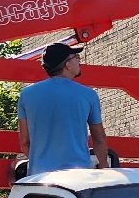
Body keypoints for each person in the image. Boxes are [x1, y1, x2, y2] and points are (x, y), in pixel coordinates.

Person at [17, 42, 110, 176]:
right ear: (67, 64)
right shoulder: (88, 94)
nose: (79, 60)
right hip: (77, 176)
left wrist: (39, 162)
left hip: (40, 178)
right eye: (76, 57)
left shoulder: (26, 95)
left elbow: (25, 142)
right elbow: (99, 138)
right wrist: (104, 168)